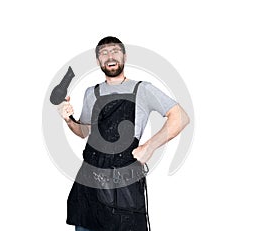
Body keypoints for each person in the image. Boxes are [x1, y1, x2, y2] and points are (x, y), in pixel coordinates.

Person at [58, 36, 190, 231]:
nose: (109, 56)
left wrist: (150, 146)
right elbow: (84, 131)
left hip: (123, 184)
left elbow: (180, 117)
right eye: (104, 52)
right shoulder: (91, 93)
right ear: (98, 61)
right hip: (89, 182)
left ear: (124, 57)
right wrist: (69, 119)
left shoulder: (143, 89)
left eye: (115, 51)